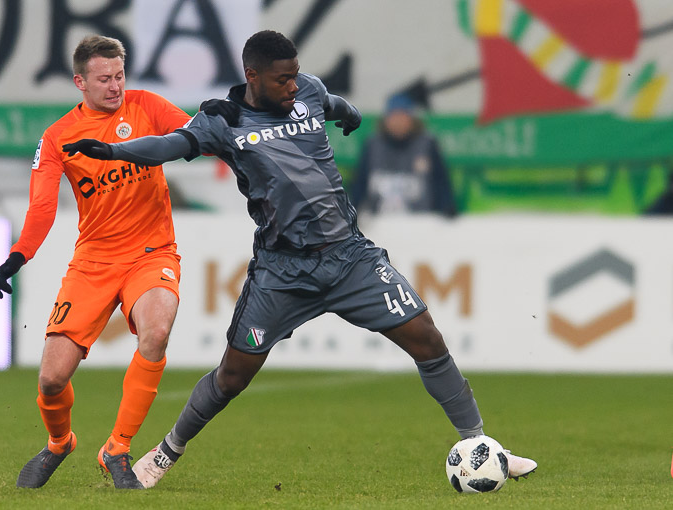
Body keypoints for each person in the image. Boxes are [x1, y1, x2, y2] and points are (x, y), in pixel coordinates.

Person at [63, 30, 537, 489]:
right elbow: (169, 145)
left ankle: (481, 444)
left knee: (427, 339)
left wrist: (350, 114)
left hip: (349, 257)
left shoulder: (306, 90)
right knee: (232, 377)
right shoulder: (223, 121)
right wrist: (113, 151)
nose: (293, 86)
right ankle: (166, 452)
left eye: (295, 76)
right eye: (282, 80)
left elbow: (332, 104)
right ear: (252, 76)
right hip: (282, 272)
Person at [0, 34, 194, 489]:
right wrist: (19, 254)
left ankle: (117, 448)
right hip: (94, 262)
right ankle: (59, 443)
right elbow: (42, 206)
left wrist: (228, 129)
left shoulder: (146, 107)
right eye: (104, 79)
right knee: (51, 380)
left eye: (119, 76)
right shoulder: (58, 137)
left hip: (152, 253)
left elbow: (198, 137)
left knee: (157, 331)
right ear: (80, 82)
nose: (115, 86)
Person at [350, 93, 457, 217]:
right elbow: (360, 183)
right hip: (379, 220)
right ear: (386, 119)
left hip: (421, 220)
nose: (398, 122)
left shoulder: (427, 145)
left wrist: (447, 206)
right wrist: (352, 210)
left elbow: (440, 181)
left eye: (402, 116)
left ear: (412, 120)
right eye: (394, 117)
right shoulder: (372, 145)